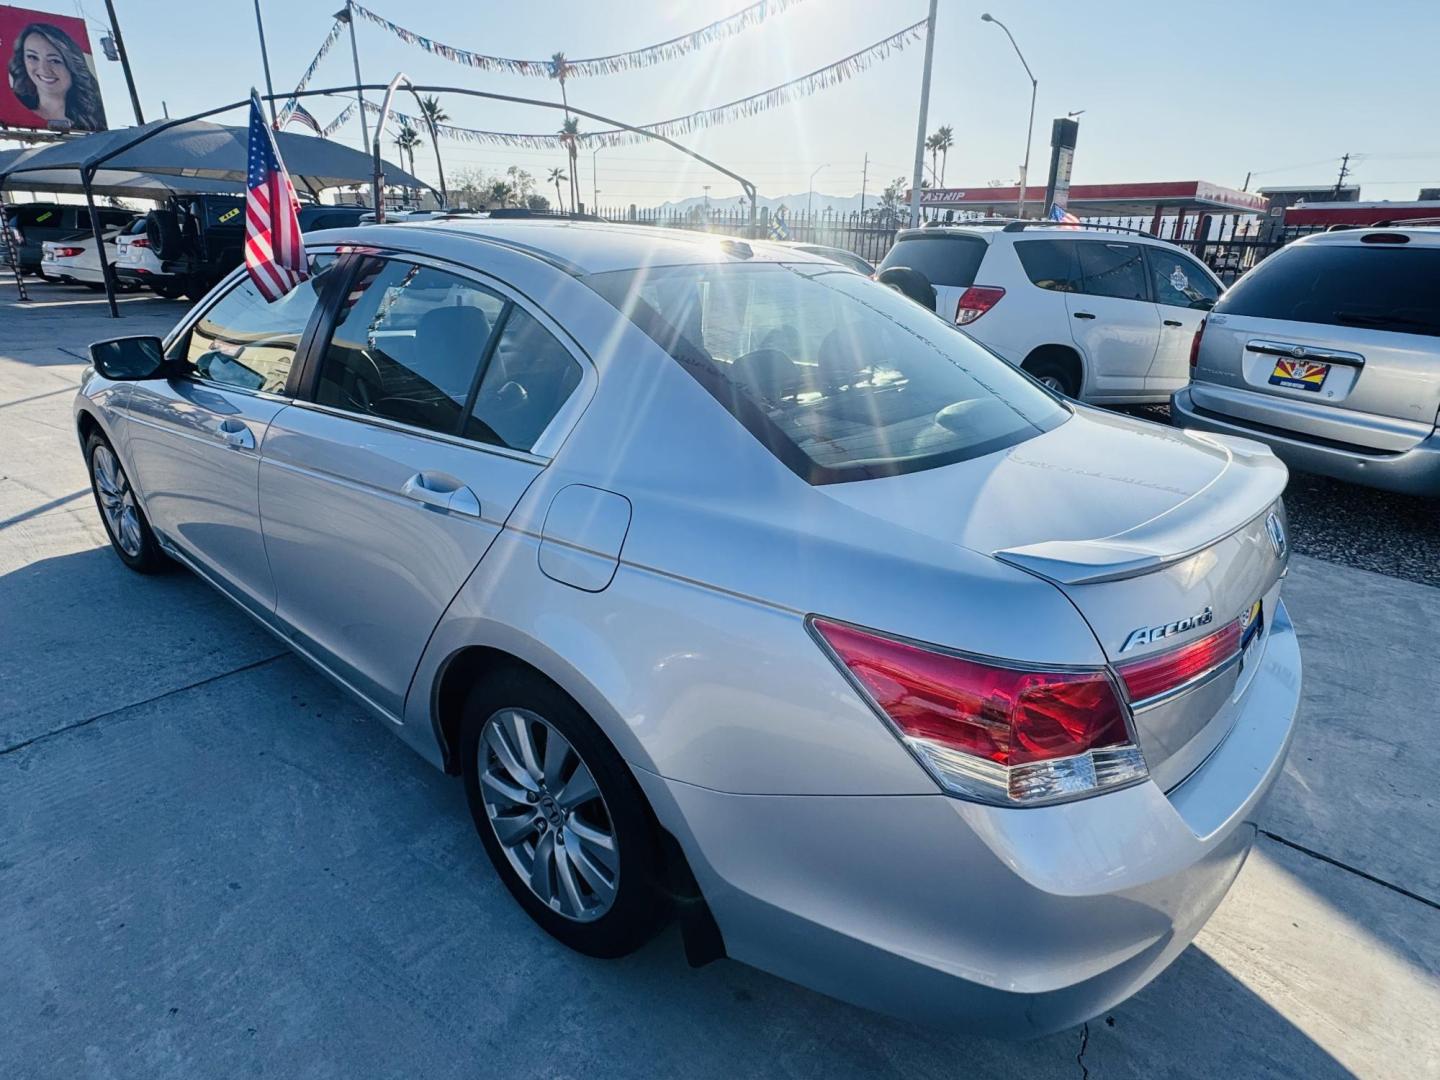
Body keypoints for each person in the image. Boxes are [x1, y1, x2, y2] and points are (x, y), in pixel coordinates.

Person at [7, 23, 106, 132]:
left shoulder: (92, 120)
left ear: (73, 67)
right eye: (32, 57)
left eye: (55, 60)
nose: (44, 69)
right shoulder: (17, 112)